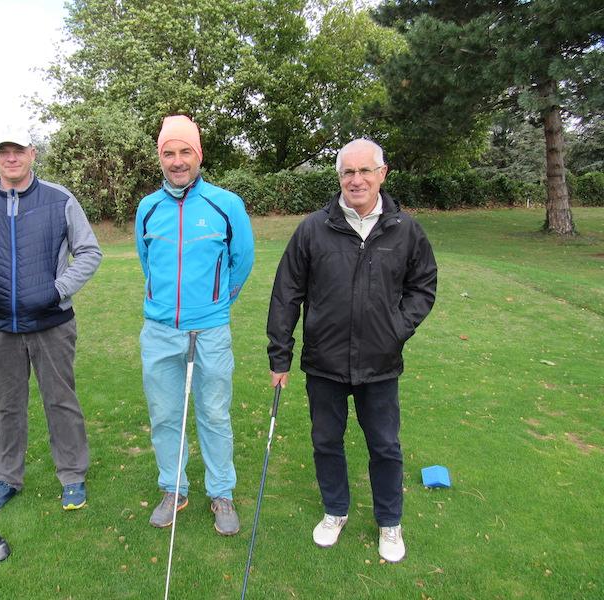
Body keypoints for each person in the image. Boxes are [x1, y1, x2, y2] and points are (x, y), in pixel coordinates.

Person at [266, 138, 437, 562]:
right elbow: (287, 293)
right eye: (348, 172)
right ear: (338, 177)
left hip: (380, 364)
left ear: (382, 174)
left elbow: (423, 287)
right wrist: (280, 355)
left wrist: (396, 328)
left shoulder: (405, 229)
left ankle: (389, 523)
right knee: (326, 440)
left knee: (385, 446)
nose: (356, 180)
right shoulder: (313, 228)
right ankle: (335, 510)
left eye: (365, 171)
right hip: (324, 361)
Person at [0, 129, 102, 516]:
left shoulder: (60, 198)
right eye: (4, 151)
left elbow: (88, 251)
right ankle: (5, 479)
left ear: (32, 153)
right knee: (4, 407)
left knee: (61, 401)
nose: (12, 157)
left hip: (52, 322)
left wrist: (57, 289)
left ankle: (71, 476)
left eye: (19, 150)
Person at [135, 115, 254, 536]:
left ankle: (221, 492)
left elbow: (243, 262)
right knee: (166, 415)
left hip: (211, 332)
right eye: (169, 152)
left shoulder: (226, 204)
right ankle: (174, 488)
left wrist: (215, 304)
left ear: (198, 155)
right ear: (160, 158)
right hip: (160, 331)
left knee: (214, 414)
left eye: (185, 151)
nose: (177, 160)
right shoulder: (148, 208)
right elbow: (147, 263)